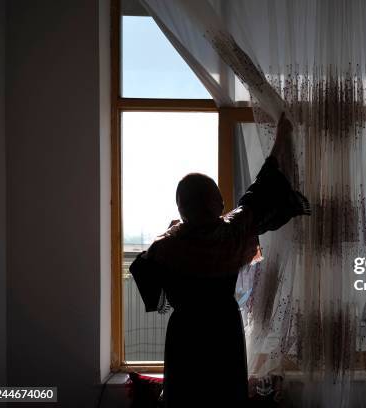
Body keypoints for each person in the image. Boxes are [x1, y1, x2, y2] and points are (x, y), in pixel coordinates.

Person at [129, 113, 309, 407]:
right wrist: (282, 136)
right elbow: (262, 189)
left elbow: (145, 275)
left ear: (181, 207)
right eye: (218, 198)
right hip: (223, 330)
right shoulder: (232, 233)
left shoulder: (165, 246)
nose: (224, 203)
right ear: (215, 204)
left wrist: (173, 230)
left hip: (185, 333)